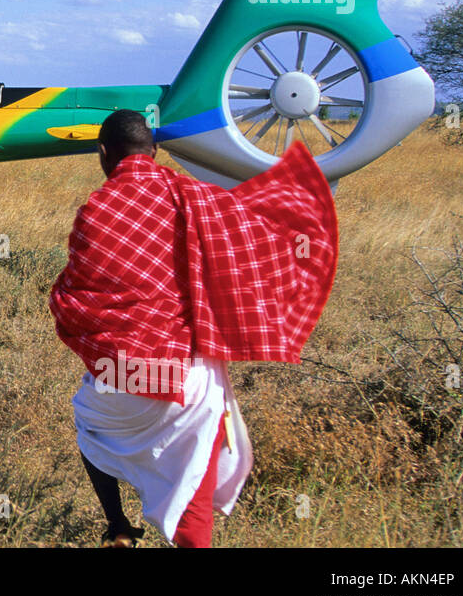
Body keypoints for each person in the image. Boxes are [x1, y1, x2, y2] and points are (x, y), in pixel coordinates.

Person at [49, 109, 338, 548]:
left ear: (104, 154)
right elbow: (257, 239)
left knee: (91, 427)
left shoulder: (98, 209)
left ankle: (119, 527)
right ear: (156, 151)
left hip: (122, 376)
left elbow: (75, 296)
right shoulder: (198, 197)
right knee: (194, 460)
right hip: (187, 374)